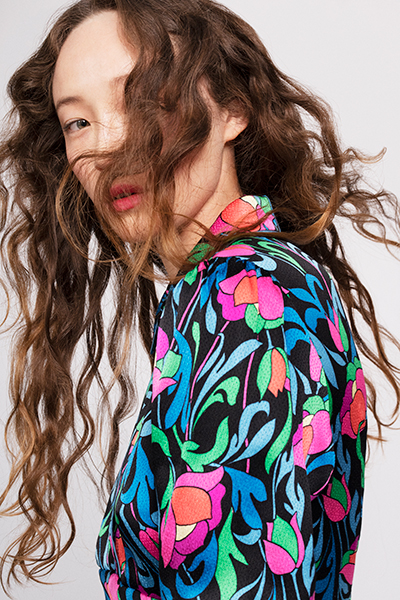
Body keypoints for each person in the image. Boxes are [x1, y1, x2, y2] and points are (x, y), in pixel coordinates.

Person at [0, 0, 399, 598]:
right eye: (77, 122)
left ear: (232, 109)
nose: (105, 145)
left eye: (140, 98)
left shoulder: (252, 300)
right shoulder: (226, 290)